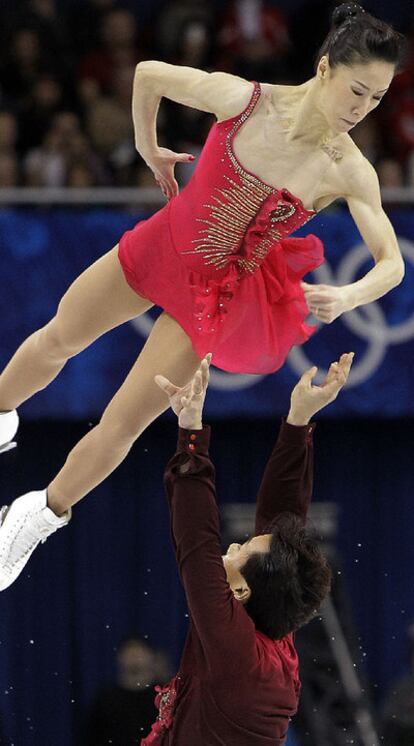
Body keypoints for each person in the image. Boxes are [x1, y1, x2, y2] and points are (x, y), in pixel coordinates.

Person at [0, 3, 405, 591]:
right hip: (162, 244)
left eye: (376, 99)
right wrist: (148, 145)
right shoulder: (246, 99)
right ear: (324, 69)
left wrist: (347, 296)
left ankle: (32, 519)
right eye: (357, 90)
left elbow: (392, 264)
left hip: (214, 295)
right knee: (60, 336)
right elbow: (148, 74)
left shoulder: (349, 169)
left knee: (123, 421)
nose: (362, 109)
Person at [138, 351, 353, 745]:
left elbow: (197, 545)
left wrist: (191, 437)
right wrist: (297, 421)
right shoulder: (271, 630)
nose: (232, 544)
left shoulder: (239, 654)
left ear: (240, 591)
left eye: (240, 551)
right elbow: (282, 523)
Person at [84, 635, 168, 746]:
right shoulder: (106, 701)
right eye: (129, 653)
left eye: (139, 652)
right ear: (120, 657)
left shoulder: (164, 698)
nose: (134, 657)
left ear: (151, 656)